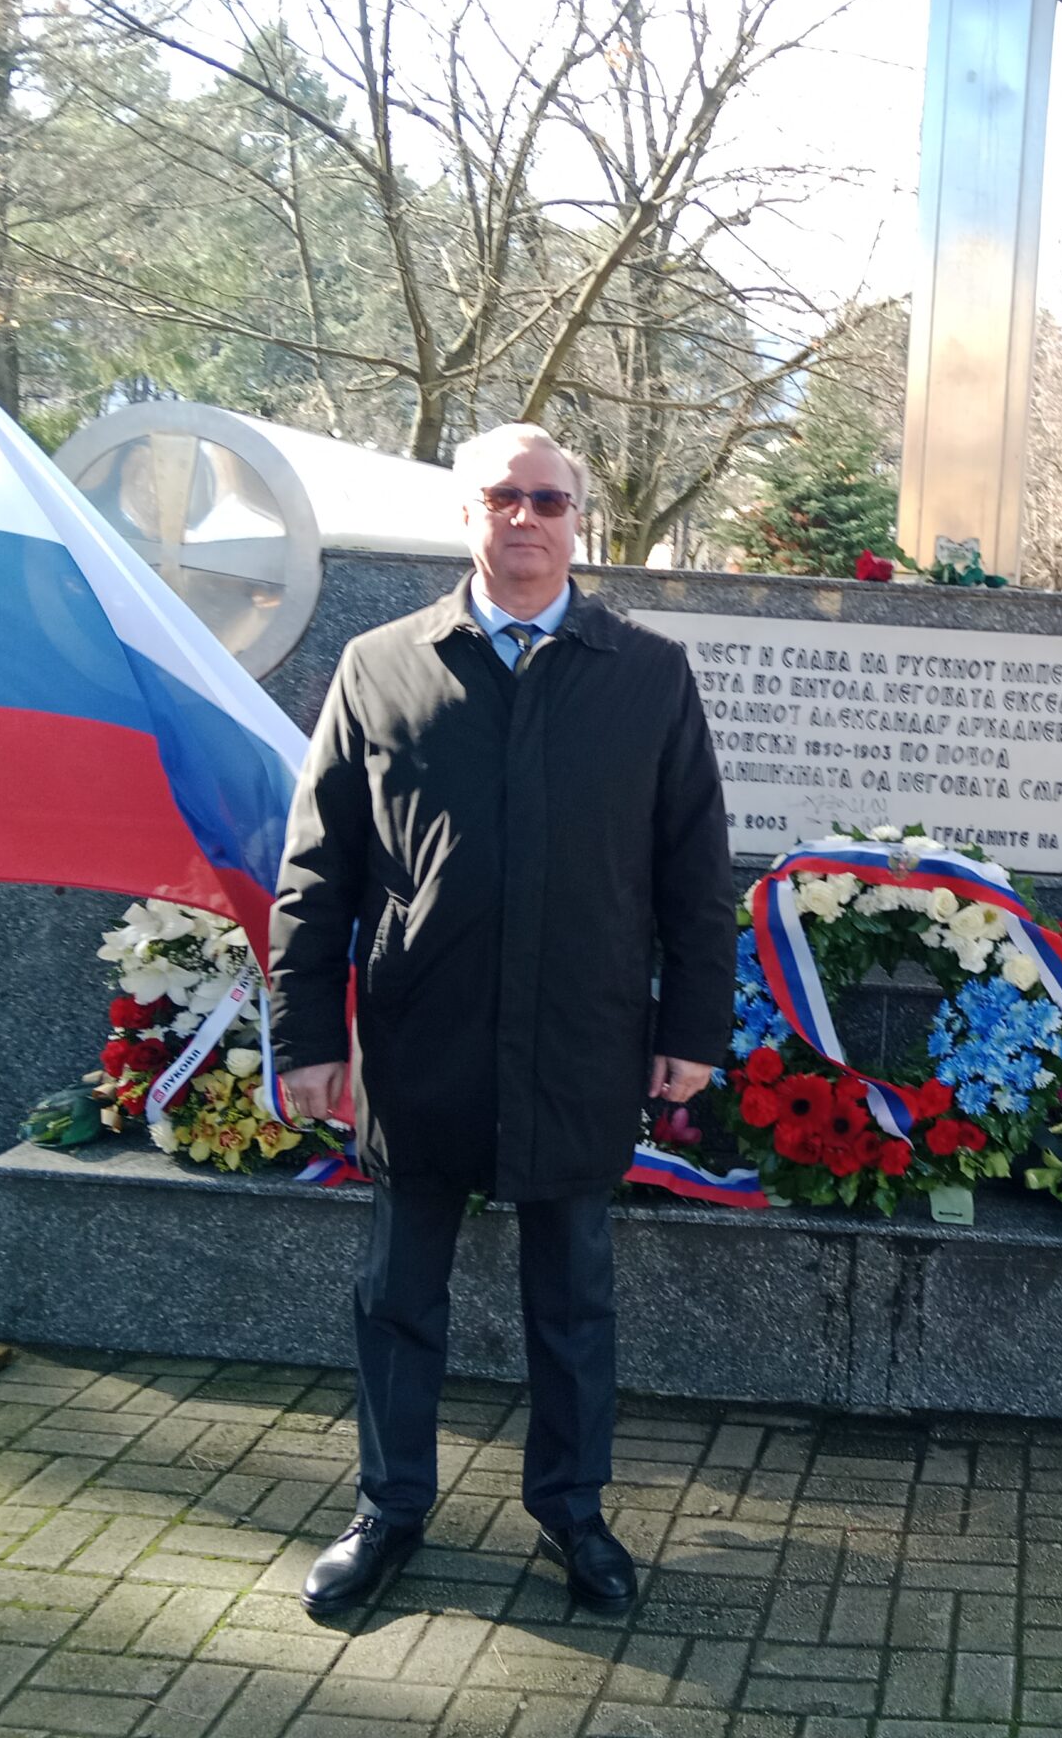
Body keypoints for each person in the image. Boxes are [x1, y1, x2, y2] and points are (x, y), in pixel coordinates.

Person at [266, 423, 733, 1618]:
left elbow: (693, 872)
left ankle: (573, 1511)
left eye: (547, 499)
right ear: (465, 514)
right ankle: (388, 1508)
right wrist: (307, 1038)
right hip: (423, 1035)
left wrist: (691, 1031)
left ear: (578, 519)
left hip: (579, 1035)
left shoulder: (646, 672)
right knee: (397, 1295)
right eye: (500, 497)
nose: (525, 517)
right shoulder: (382, 665)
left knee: (571, 1299)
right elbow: (319, 871)